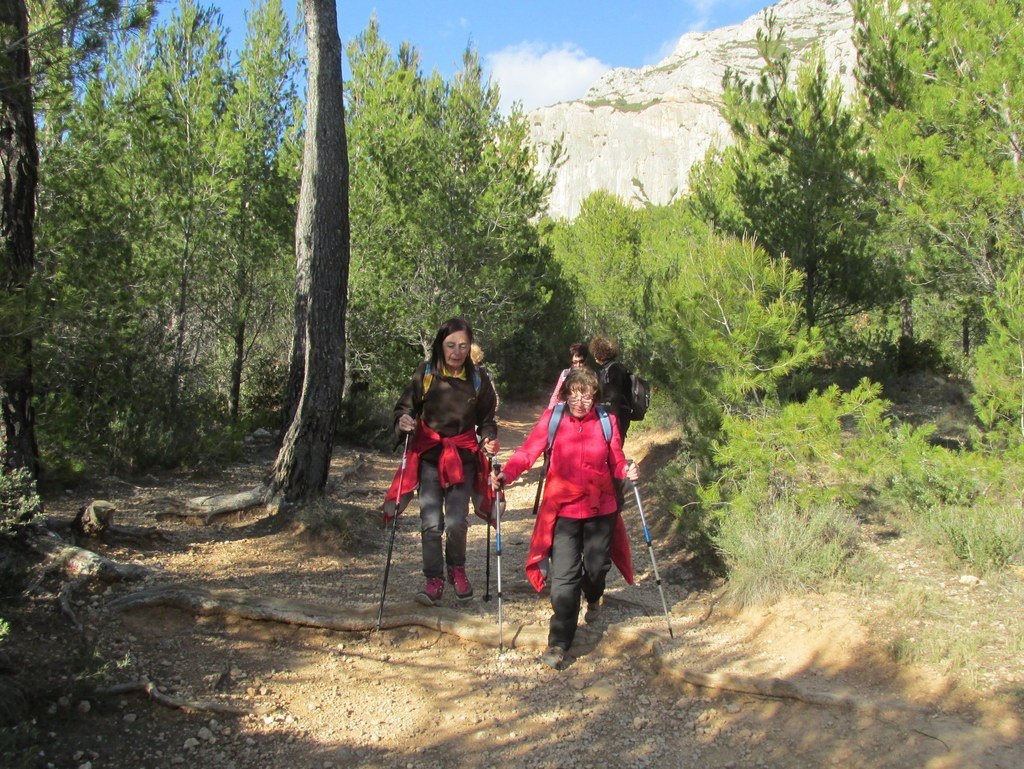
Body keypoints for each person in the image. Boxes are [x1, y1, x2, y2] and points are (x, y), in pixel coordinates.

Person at [491, 367, 639, 670]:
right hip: (564, 513)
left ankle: (594, 596)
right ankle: (559, 643)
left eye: (586, 395)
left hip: (602, 509)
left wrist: (626, 471)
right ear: (565, 393)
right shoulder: (553, 419)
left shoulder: (606, 421)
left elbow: (617, 459)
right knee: (563, 582)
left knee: (597, 569)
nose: (580, 401)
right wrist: (506, 474)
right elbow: (527, 452)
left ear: (595, 396)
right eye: (574, 394)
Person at [385, 318, 499, 606]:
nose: (457, 352)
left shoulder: (477, 379)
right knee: (432, 523)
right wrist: (405, 420)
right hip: (430, 459)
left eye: (463, 346)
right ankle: (433, 579)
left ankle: (457, 571)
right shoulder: (425, 373)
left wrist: (488, 438)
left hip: (463, 459)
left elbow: (487, 419)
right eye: (451, 345)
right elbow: (404, 408)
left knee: (457, 522)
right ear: (440, 345)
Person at [590, 335, 632, 441]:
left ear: (600, 353)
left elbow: (614, 396)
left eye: (596, 352)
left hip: (616, 415)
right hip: (616, 414)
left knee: (612, 447)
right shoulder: (611, 368)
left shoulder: (614, 369)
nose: (594, 356)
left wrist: (610, 418)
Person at [546, 342, 588, 409]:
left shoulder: (590, 377)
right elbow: (556, 396)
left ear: (586, 360)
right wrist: (550, 412)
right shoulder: (565, 374)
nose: (578, 365)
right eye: (575, 362)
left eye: (581, 362)